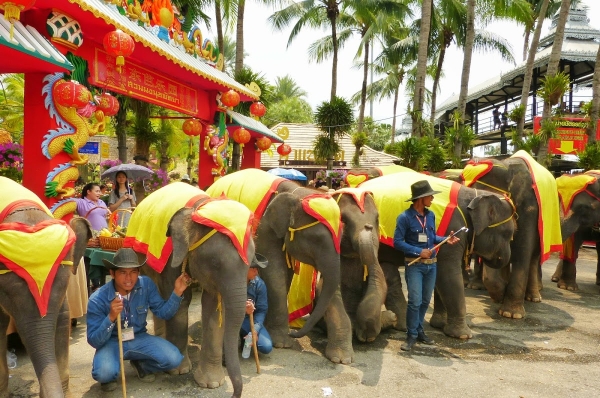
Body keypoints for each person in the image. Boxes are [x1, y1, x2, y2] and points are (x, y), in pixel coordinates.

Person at [87, 248, 191, 392]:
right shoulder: (97, 299)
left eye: (133, 272)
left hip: (139, 337)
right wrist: (111, 317)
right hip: (111, 342)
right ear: (112, 273)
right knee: (103, 373)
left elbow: (163, 313)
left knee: (174, 359)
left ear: (139, 272)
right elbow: (94, 340)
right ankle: (111, 372)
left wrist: (177, 292)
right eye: (123, 272)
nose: (129, 278)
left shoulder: (146, 285)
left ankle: (142, 365)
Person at [393, 180, 460, 352]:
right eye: (430, 196)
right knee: (414, 302)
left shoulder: (430, 216)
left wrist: (445, 239)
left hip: (432, 266)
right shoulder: (404, 218)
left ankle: (419, 330)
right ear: (421, 198)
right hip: (414, 266)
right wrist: (418, 251)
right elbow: (397, 242)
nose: (432, 199)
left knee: (424, 301)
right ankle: (411, 335)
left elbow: (431, 238)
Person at [240, 254, 272, 356]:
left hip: (248, 320)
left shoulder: (259, 284)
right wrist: (241, 309)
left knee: (266, 346)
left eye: (257, 269)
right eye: (253, 268)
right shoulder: (232, 282)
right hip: (231, 319)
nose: (256, 272)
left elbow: (262, 310)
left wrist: (255, 331)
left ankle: (245, 336)